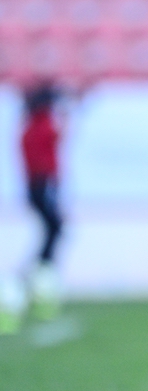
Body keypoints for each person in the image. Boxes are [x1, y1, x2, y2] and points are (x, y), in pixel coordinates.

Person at [21, 82, 64, 321]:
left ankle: (39, 275)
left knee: (52, 230)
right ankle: (39, 276)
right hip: (42, 184)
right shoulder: (42, 124)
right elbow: (55, 140)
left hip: (37, 185)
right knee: (54, 229)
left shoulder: (29, 126)